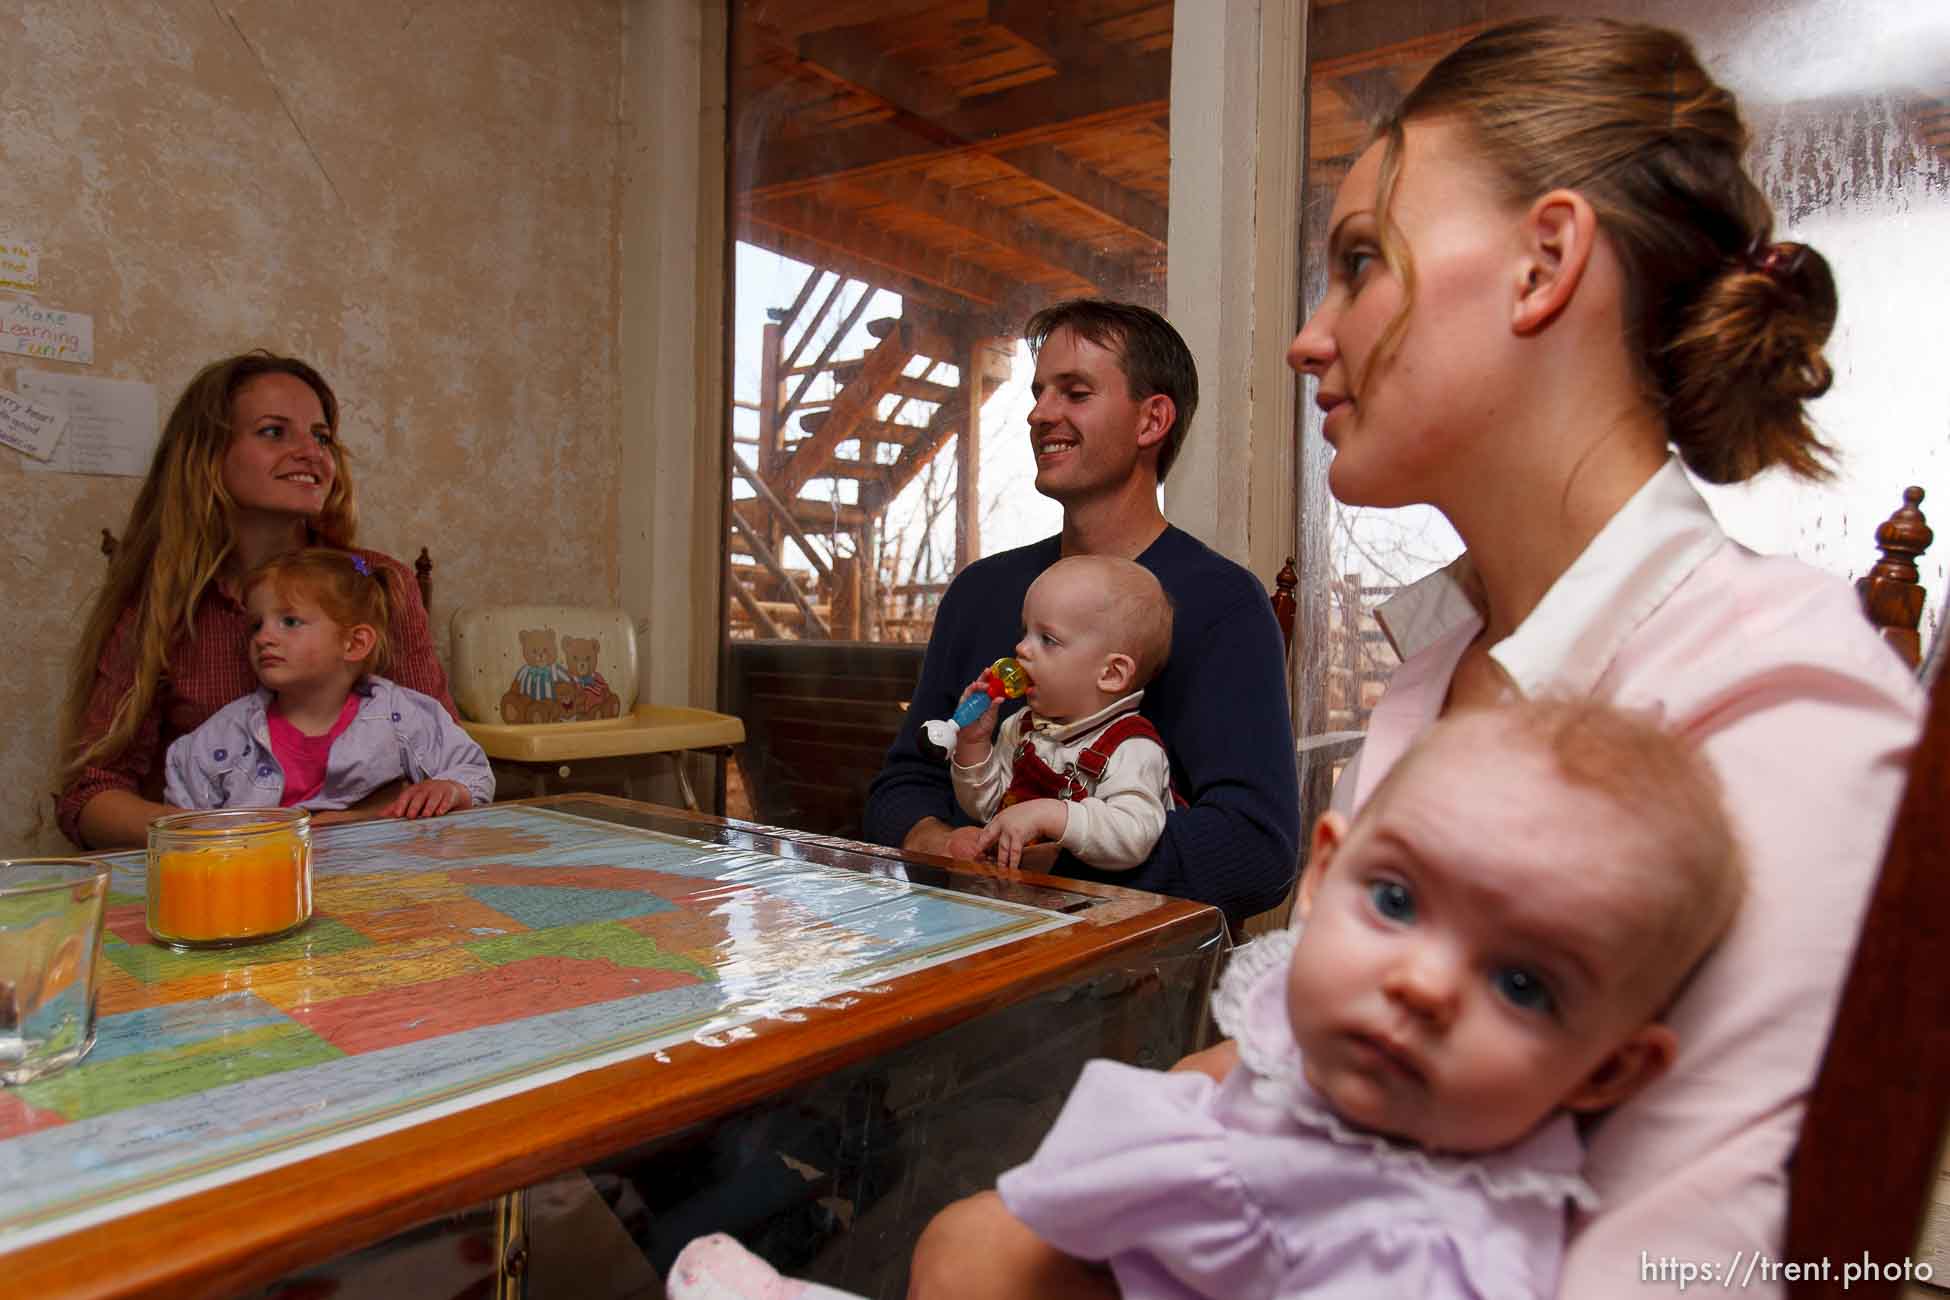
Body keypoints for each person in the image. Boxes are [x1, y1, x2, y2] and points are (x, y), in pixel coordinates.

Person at [907, 17, 1924, 1300]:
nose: (1306, 338)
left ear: (1544, 262)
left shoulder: (1792, 717)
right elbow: (1328, 1083)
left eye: (1359, 264)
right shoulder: (1450, 665)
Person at [669, 700, 1746, 1300]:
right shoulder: (1313, 1042)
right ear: (1326, 878)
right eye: (1399, 898)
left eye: (1523, 983)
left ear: (1609, 1070)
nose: (1421, 984)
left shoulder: (1434, 1257)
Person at [864, 301, 1299, 926]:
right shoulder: (980, 592)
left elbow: (1256, 852)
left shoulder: (1223, 604)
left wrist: (1045, 861)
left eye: (1076, 392)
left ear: (1153, 420)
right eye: (1039, 393)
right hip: (958, 944)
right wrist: (939, 844)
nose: (1040, 414)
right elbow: (901, 788)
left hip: (1120, 981)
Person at [56, 350, 456, 849]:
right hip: (222, 874)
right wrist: (215, 835)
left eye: (322, 436)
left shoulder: (375, 581)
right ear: (207, 454)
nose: (311, 452)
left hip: (372, 867)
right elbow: (89, 795)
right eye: (273, 431)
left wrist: (341, 827)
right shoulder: (164, 606)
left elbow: (445, 762)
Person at [164, 549, 492, 817]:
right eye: (255, 625)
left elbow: (473, 771)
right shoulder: (225, 734)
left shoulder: (399, 715)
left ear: (354, 643)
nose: (264, 637)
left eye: (289, 622)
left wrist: (450, 789)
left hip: (383, 879)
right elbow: (184, 820)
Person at [947, 555, 1176, 871]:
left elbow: (1134, 835)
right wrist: (973, 744)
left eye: (1048, 639)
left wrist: (1051, 815)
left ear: (1110, 673)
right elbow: (987, 807)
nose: (1022, 649)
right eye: (1025, 631)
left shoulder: (1131, 747)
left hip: (1105, 909)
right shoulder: (1022, 727)